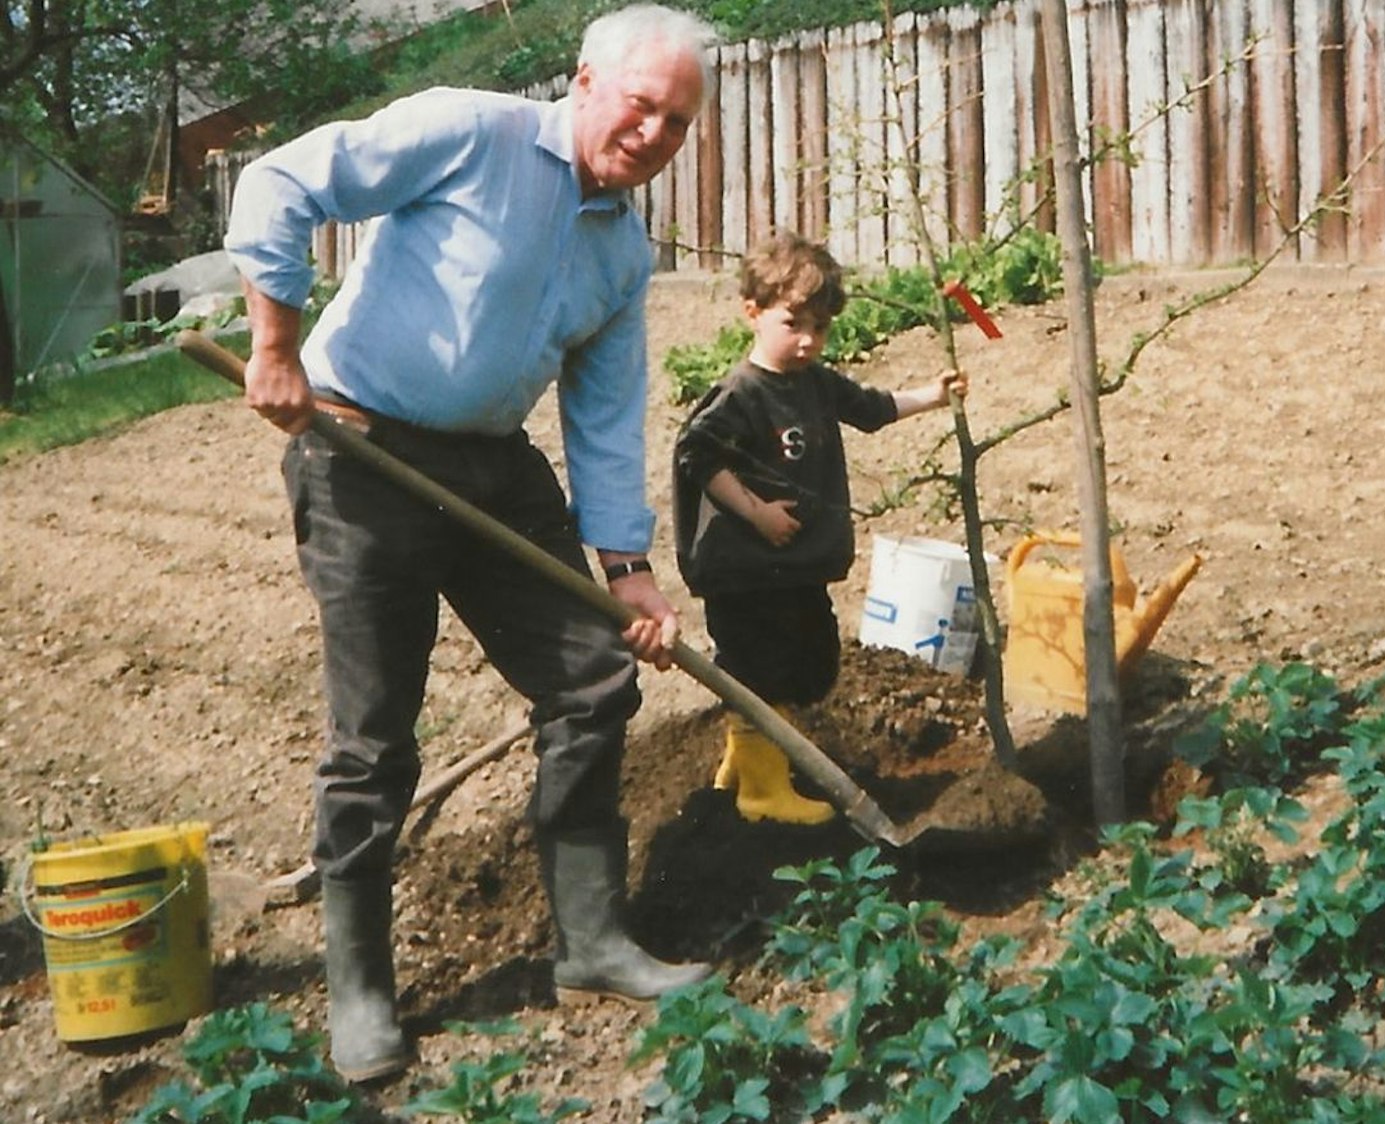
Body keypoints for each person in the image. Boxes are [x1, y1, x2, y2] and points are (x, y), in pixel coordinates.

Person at [223, 4, 717, 1084]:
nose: (654, 135)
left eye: (678, 123)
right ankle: (360, 992)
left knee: (594, 682)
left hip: (493, 466)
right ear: (587, 82)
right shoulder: (468, 130)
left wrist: (627, 570)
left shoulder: (621, 250)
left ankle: (592, 940)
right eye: (644, 106)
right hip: (359, 446)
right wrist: (275, 342)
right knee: (376, 735)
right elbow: (278, 181)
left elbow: (603, 412)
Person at [674, 230, 968, 824]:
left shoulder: (814, 383)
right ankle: (762, 791)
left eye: (821, 328)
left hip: (794, 567)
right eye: (793, 324)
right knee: (764, 670)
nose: (808, 341)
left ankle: (743, 760)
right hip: (748, 573)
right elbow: (697, 456)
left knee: (809, 664)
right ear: (752, 313)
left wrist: (932, 397)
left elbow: (872, 408)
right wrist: (754, 511)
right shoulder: (740, 394)